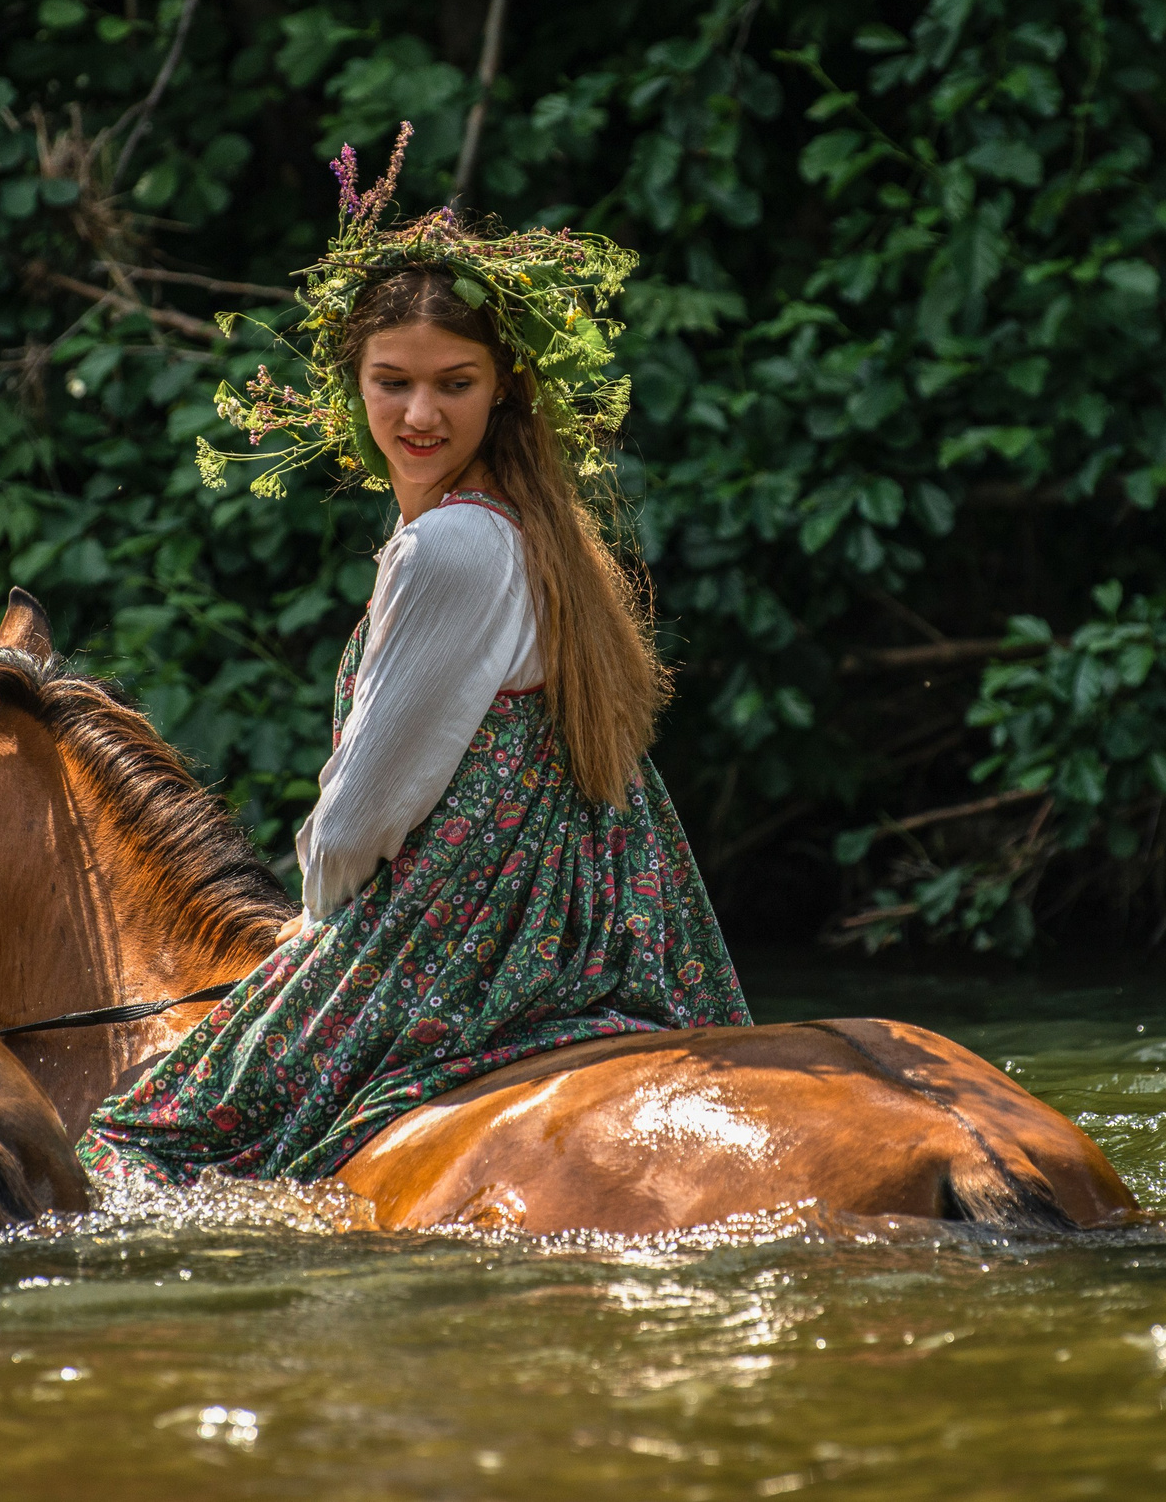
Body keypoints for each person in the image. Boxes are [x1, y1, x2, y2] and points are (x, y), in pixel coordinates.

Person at [79, 125, 752, 1189]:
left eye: (456, 384)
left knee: (149, 1143)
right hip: (595, 918)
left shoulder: (451, 543)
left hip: (473, 933)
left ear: (503, 391)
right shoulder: (532, 530)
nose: (420, 413)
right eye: (391, 382)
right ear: (351, 387)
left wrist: (317, 923)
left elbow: (366, 809)